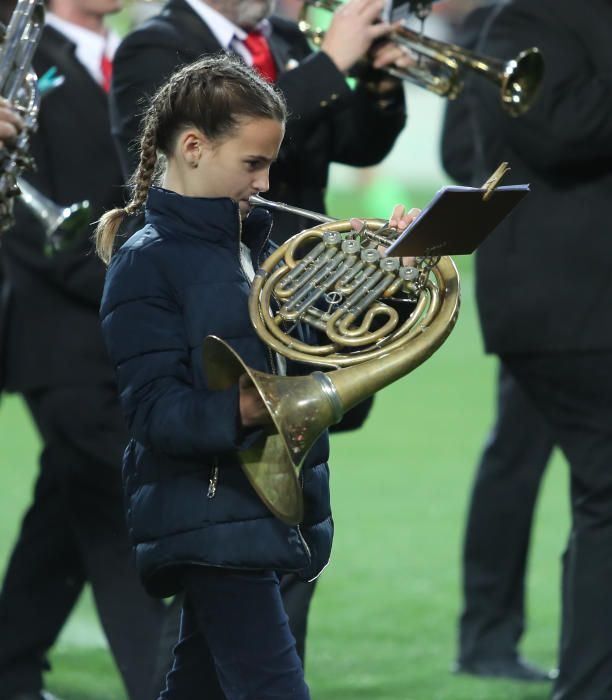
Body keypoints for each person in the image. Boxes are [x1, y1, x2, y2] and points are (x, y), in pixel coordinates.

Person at [95, 53, 418, 700]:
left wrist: (397, 279)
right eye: (253, 163)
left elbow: (325, 365)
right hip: (212, 512)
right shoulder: (145, 264)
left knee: (199, 685)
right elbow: (155, 415)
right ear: (192, 147)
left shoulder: (259, 250)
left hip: (266, 507)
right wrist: (244, 409)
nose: (267, 182)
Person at [0, 0, 171, 698]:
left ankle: (9, 664)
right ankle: (165, 684)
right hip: (59, 333)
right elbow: (20, 213)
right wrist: (137, 285)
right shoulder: (19, 62)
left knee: (66, 511)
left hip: (127, 326)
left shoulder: (138, 54)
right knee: (119, 508)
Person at [449, 1, 612, 698]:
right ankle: (510, 645)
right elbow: (559, 132)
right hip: (567, 311)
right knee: (540, 468)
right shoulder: (517, 22)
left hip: (583, 307)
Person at [440, 0, 556, 682]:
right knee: (518, 459)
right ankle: (486, 635)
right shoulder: (496, 29)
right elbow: (464, 156)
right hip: (550, 288)